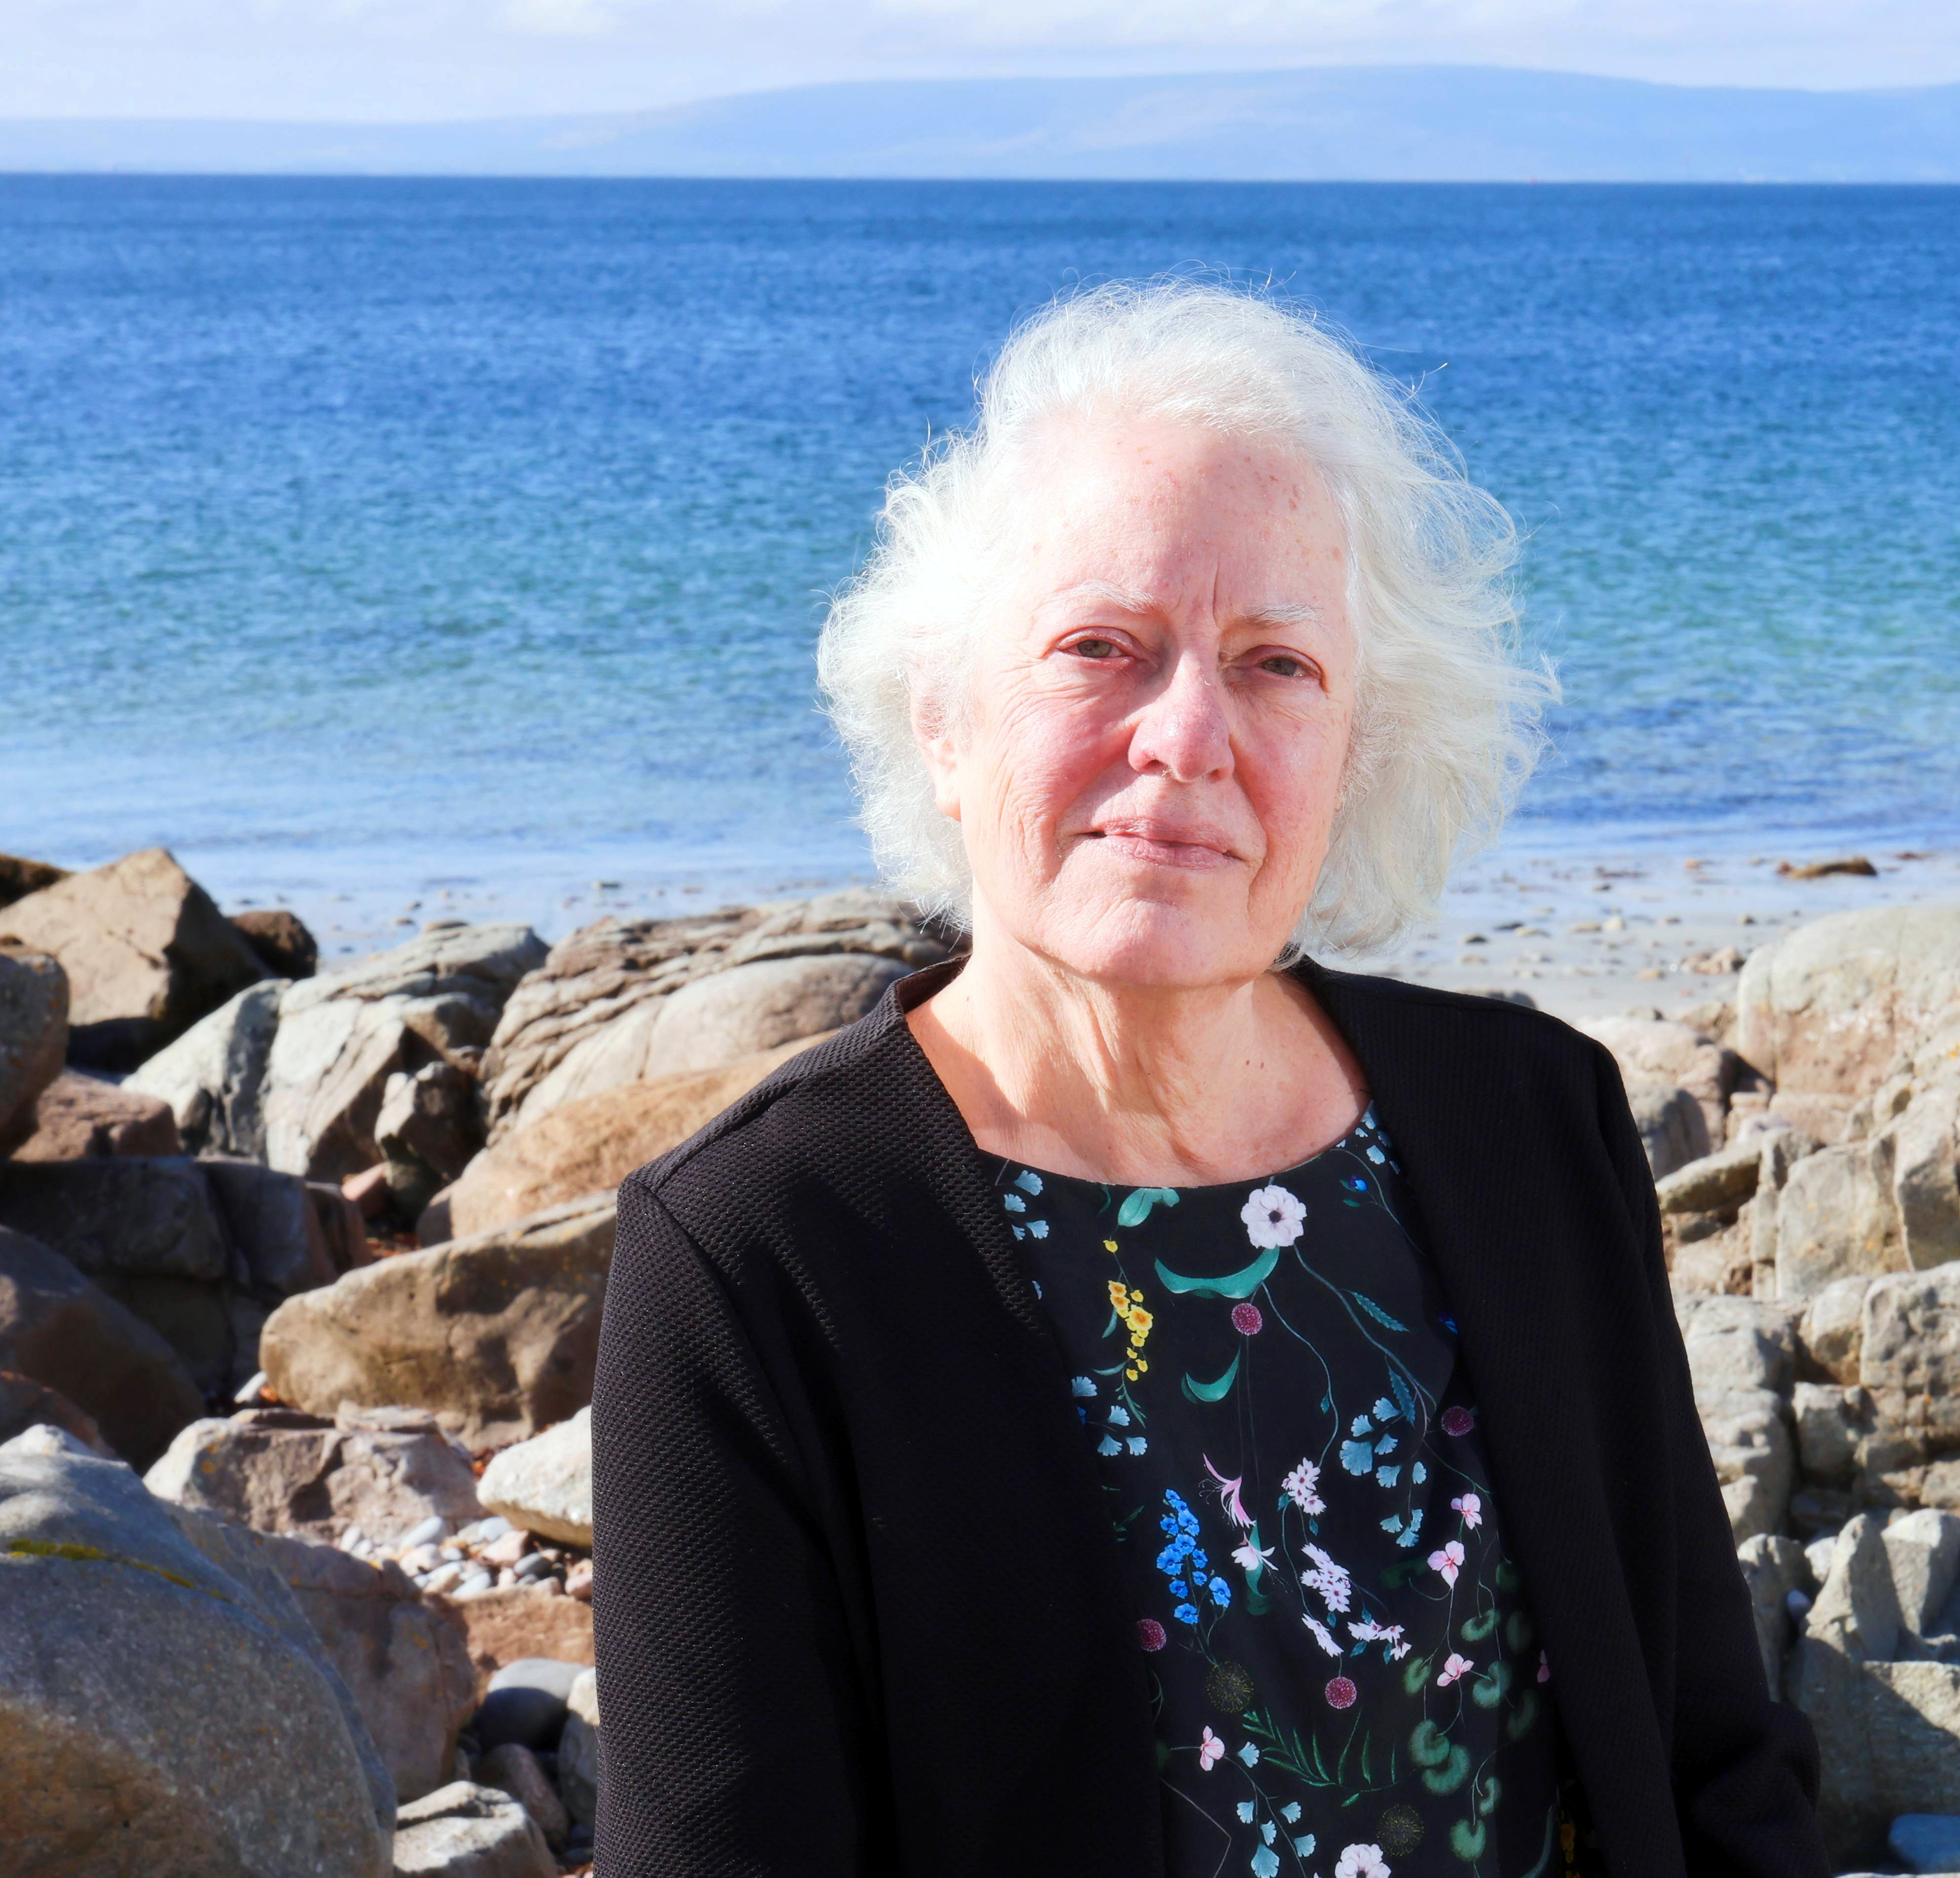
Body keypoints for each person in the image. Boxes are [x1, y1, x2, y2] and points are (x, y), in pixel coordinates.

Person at [592, 281, 1828, 1878]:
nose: (1189, 736)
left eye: (1276, 665)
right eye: (1102, 647)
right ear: (947, 725)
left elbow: (1714, 1759)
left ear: (1359, 745)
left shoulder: (1531, 1121)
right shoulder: (759, 1253)